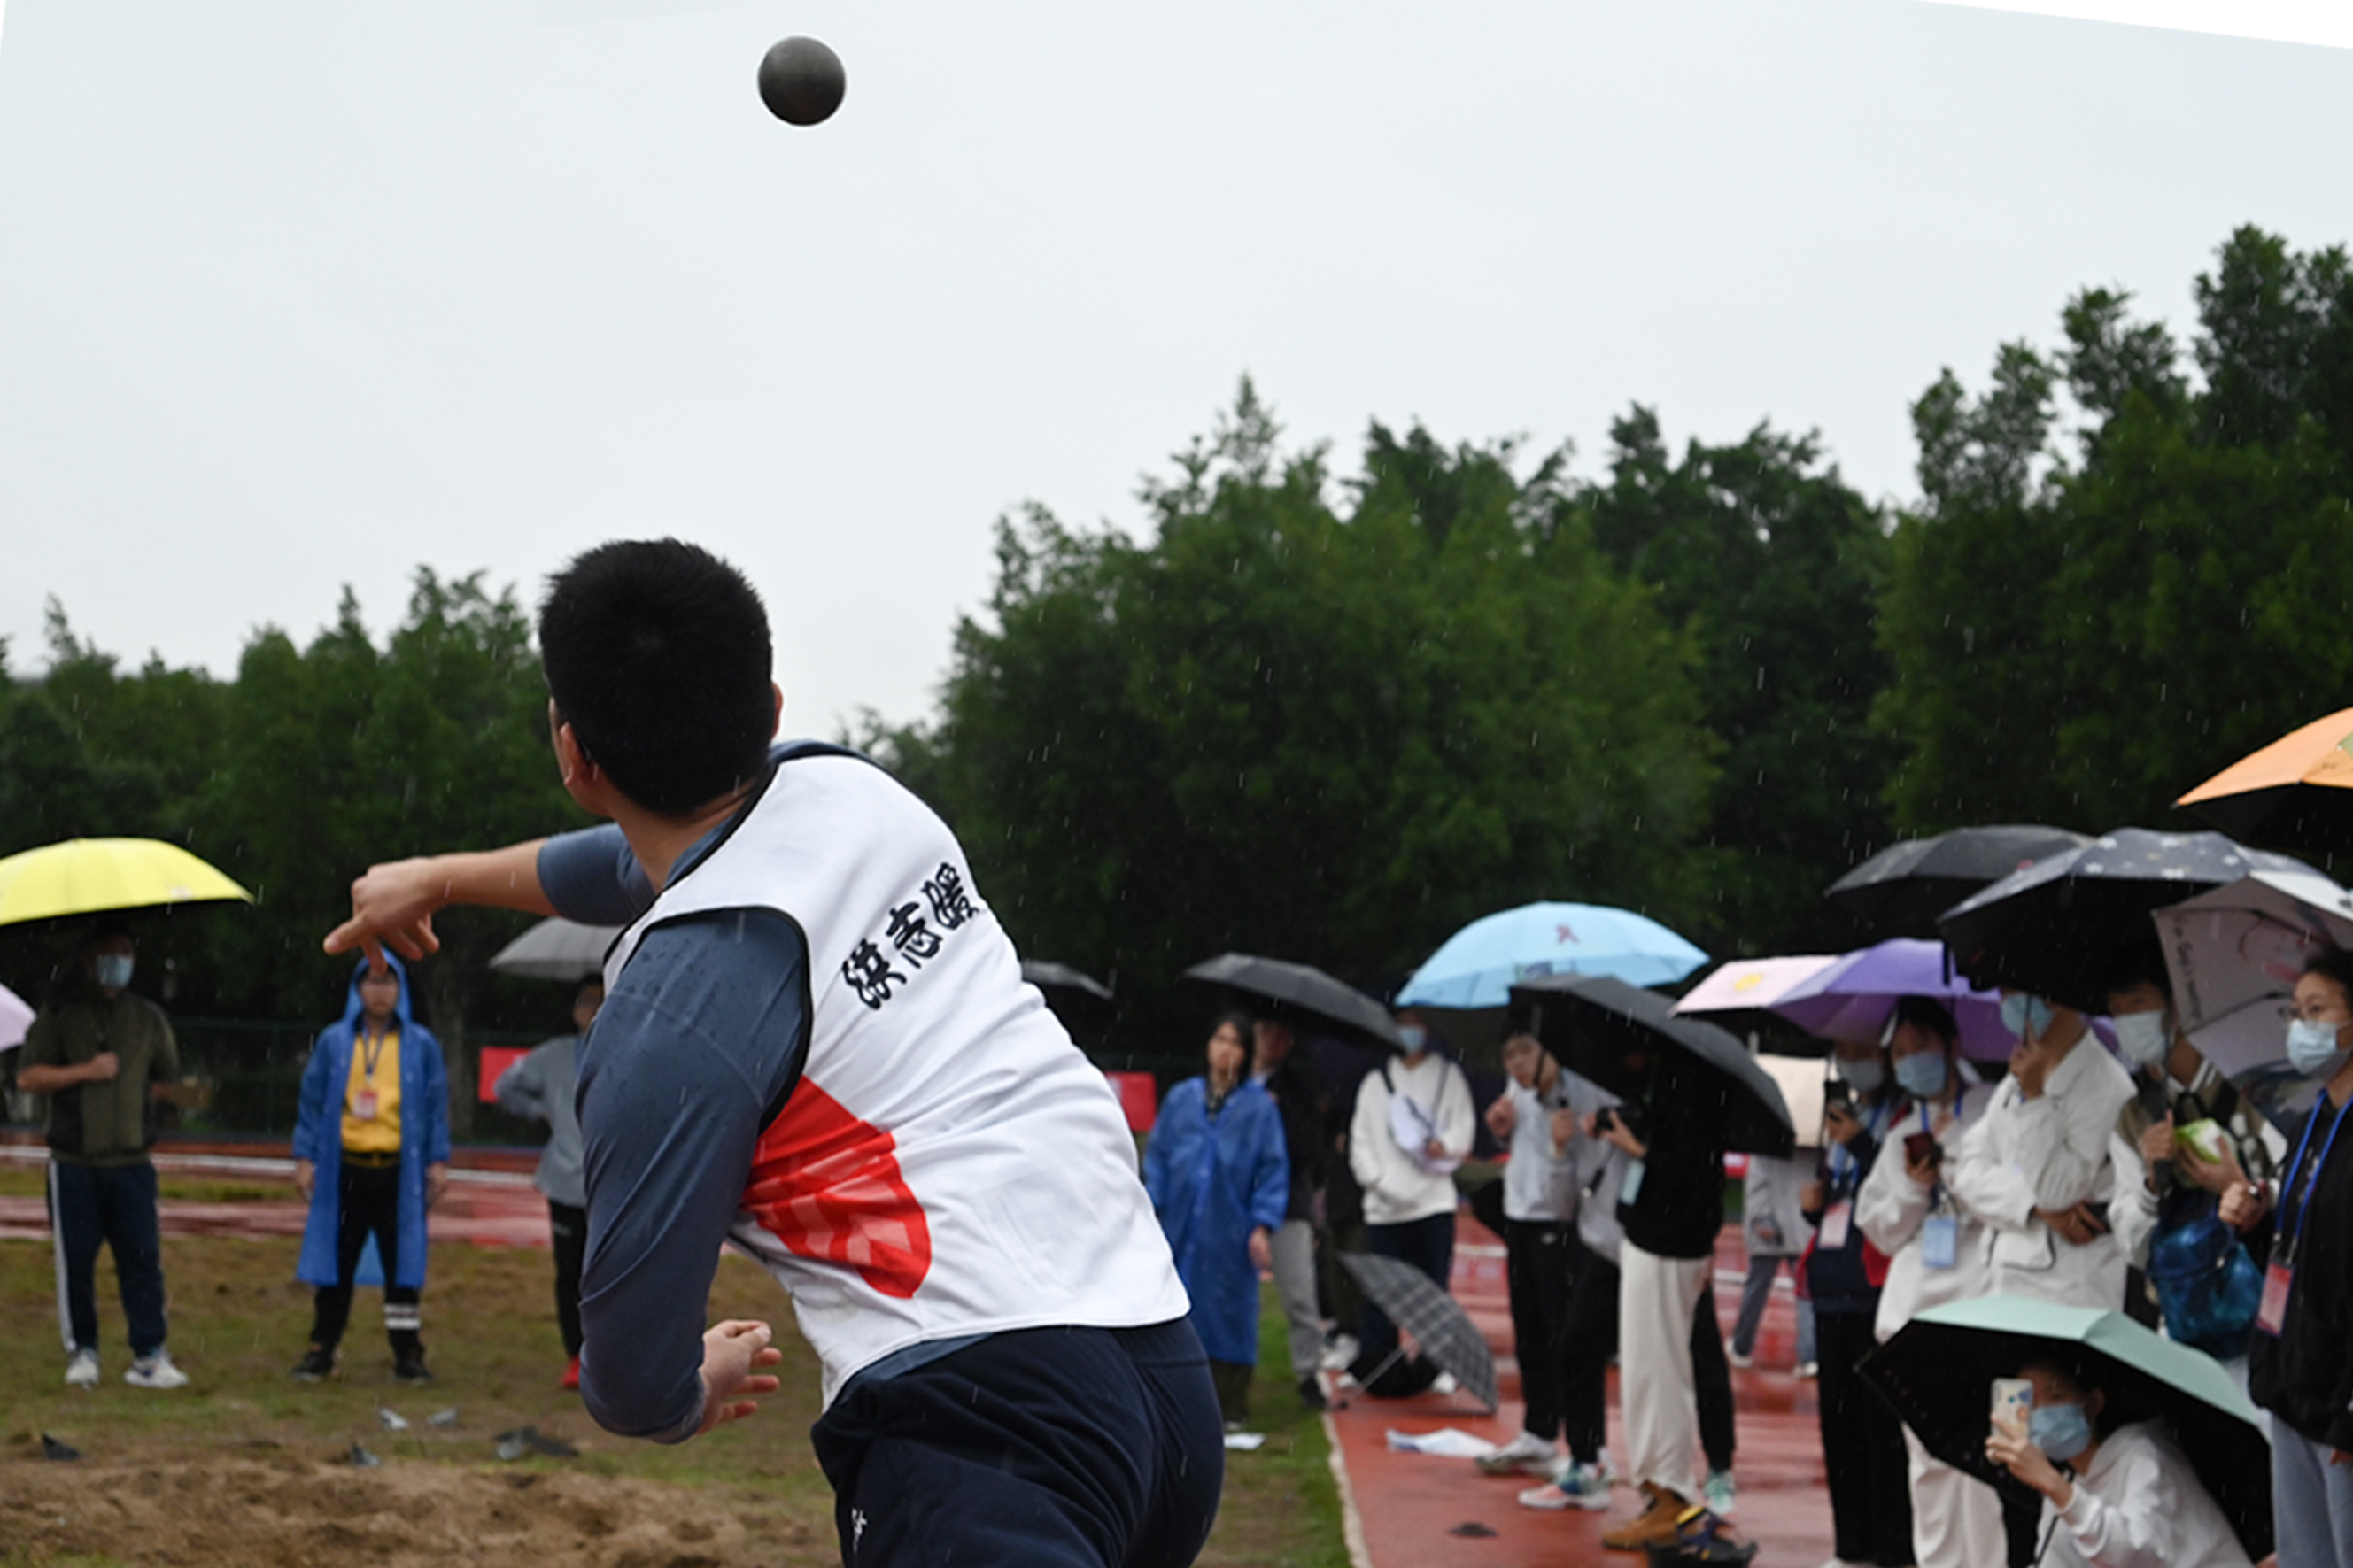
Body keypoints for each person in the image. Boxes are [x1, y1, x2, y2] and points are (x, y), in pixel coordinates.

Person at [322, 539, 1218, 1568]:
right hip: (1158, 1371)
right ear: (773, 708)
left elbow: (626, 1372)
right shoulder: (855, 794)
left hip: (982, 1429)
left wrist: (681, 1393)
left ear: (574, 758)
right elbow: (635, 862)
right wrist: (441, 876)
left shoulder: (665, 1019)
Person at [1947, 989, 2140, 1565]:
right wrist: (2030, 1207)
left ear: (2059, 997)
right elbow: (1966, 1171)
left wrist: (2034, 1098)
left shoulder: (2104, 1083)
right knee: (2009, 1465)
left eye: (2023, 994)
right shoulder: (2015, 1077)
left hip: (2071, 1303)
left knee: (2068, 1466)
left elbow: (2060, 1184)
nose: (2013, 1006)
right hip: (2008, 1299)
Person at [1856, 996, 2004, 1568]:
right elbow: (1880, 1226)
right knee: (1927, 1464)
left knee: (1983, 1461)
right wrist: (1915, 1185)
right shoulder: (1903, 1131)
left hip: (1978, 1305)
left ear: (1951, 1045)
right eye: (1899, 1053)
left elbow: (2011, 1196)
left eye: (1920, 1045)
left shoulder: (1991, 1110)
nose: (1910, 1060)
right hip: (1912, 1315)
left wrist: (1958, 1167)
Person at [18, 924, 191, 1391]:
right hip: (74, 1163)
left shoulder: (148, 1019)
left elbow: (169, 1077)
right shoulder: (60, 1015)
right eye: (109, 953)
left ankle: (149, 1353)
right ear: (88, 959)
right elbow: (29, 1077)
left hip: (132, 1164)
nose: (118, 961)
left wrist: (154, 1103)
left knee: (142, 1260)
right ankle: (83, 1350)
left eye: (126, 952)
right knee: (76, 1263)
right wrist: (84, 1072)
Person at [2097, 941, 2276, 1365]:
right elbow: (2133, 1246)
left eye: (2137, 1004)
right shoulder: (2133, 1116)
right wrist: (2151, 1185)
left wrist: (2242, 1189)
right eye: (2116, 1011)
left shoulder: (2255, 1088)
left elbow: (2299, 1195)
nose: (2127, 1021)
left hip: (2266, 1320)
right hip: (2182, 1323)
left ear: (2176, 1007)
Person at [1587, 1034, 1733, 1550]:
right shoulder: (1675, 1075)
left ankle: (1671, 1496)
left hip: (1669, 1244)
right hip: (1656, 1238)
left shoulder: (1693, 1079)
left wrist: (1639, 1149)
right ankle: (1660, 1491)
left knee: (1660, 1374)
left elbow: (1693, 1171)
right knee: (1648, 1371)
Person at [2233, 946, 2353, 1567]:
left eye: (2318, 1010)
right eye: (2296, 1011)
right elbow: (2303, 1250)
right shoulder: (2311, 1122)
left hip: (2340, 1404)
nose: (2302, 1026)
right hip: (2292, 1383)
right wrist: (2256, 1224)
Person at [290, 953, 451, 1384]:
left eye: (388, 982)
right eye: (372, 982)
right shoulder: (335, 1042)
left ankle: (407, 1352)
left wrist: (437, 1160)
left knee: (402, 1264)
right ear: (357, 989)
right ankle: (322, 1347)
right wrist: (304, 1157)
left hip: (398, 1172)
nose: (380, 992)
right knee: (337, 1260)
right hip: (346, 1169)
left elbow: (436, 1106)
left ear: (400, 990)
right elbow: (312, 1102)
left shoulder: (420, 1045)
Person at [1142, 1013, 1289, 1425]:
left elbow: (1272, 1169)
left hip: (1230, 1226)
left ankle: (1229, 1402)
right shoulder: (1182, 1098)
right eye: (1219, 1039)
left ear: (1245, 1053)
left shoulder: (1258, 1108)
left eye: (1235, 1043)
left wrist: (1261, 1224)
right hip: (1179, 1221)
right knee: (1174, 1302)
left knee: (1228, 1308)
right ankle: (1171, 1396)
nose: (1225, 1049)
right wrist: (1151, 1206)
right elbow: (1159, 1157)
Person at [1801, 1039, 1912, 1568]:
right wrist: (1815, 1204)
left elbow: (1899, 1192)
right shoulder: (1846, 1117)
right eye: (1844, 1052)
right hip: (1832, 1289)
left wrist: (1865, 1144)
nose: (1853, 1062)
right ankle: (1851, 1546)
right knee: (1838, 1424)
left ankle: (1893, 1550)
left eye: (1861, 1050)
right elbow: (1843, 1199)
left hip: (1876, 1291)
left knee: (1881, 1428)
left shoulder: (1902, 1116)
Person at [1983, 1356, 2251, 1568]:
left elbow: (2133, 1554)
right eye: (2030, 1406)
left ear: (2093, 1403)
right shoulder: (2064, 1487)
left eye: (2056, 1397)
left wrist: (2056, 1487)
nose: (2042, 1413)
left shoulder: (2143, 1455)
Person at [1344, 1008, 1474, 1396]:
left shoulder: (1448, 1077)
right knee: (1382, 1290)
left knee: (1433, 1289)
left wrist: (1444, 1146)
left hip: (1432, 1204)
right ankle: (1377, 1360)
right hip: (1385, 1208)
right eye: (1403, 1025)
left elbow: (1462, 1128)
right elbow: (1361, 1142)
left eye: (1416, 1025)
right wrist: (1379, 1180)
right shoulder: (1375, 1082)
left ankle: (1436, 1364)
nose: (1409, 1033)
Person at [1477, 1030, 1581, 1479]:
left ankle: (1583, 1446)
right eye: (1509, 1055)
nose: (1516, 1063)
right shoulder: (1517, 1089)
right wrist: (1501, 1130)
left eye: (1525, 1053)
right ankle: (1537, 1431)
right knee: (1529, 1331)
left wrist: (1559, 1147)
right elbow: (1521, 1144)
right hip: (1518, 1215)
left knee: (1562, 1335)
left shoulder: (1570, 1093)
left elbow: (1571, 1157)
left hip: (1554, 1219)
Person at [493, 975, 603, 1389]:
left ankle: (611, 1355)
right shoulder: (554, 1055)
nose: (595, 1011)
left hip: (616, 1184)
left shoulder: (635, 1053)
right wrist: (539, 1111)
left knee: (612, 1272)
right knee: (570, 1272)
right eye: (588, 1003)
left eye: (605, 1002)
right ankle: (577, 1355)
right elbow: (505, 1086)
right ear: (576, 1011)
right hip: (566, 1183)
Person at [1250, 1016, 1335, 1410]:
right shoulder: (1230, 1082)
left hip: (1288, 1205)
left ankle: (1308, 1374)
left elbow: (1309, 1148)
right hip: (1235, 1202)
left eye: (1281, 1035)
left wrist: (1275, 1116)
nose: (1272, 1041)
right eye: (1266, 1032)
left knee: (1300, 1294)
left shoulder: (1297, 1090)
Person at [1728, 1148, 1814, 1375]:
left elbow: (1757, 1185)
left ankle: (1741, 1346)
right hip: (1801, 1228)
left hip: (1767, 1229)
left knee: (1755, 1292)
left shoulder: (1764, 1145)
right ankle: (1809, 1355)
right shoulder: (1813, 1148)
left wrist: (1761, 1219)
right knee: (1805, 1293)